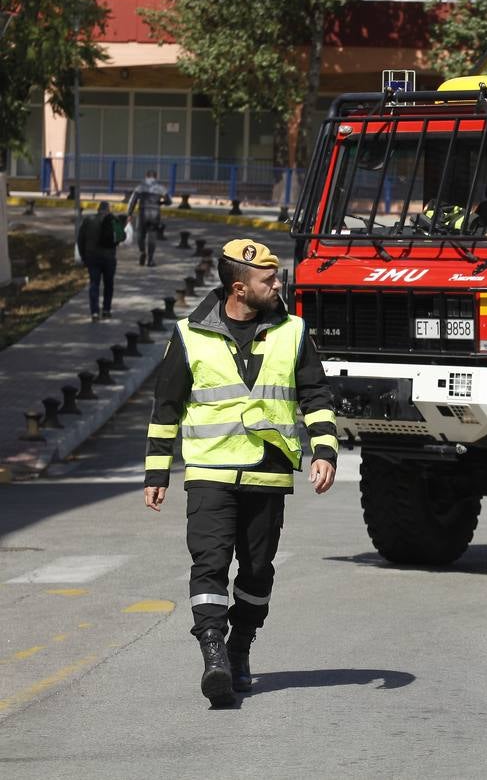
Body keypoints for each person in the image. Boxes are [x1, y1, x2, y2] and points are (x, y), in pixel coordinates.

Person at [143, 238, 338, 706]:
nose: (278, 284)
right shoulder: (189, 335)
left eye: (276, 277)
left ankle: (240, 647)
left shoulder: (293, 331)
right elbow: (166, 406)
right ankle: (214, 657)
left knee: (256, 572)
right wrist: (156, 473)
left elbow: (315, 396)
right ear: (239, 288)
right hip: (210, 472)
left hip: (268, 474)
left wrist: (324, 451)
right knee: (209, 564)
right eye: (268, 280)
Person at [77, 201, 124, 321]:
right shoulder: (113, 219)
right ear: (108, 210)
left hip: (92, 257)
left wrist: (83, 257)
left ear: (98, 209)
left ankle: (94, 312)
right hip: (109, 258)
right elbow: (121, 237)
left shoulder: (88, 220)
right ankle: (106, 310)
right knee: (109, 284)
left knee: (94, 284)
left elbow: (80, 240)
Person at [127, 169, 171, 266]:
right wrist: (160, 203)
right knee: (152, 237)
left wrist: (129, 214)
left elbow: (132, 201)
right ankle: (150, 260)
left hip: (142, 213)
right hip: (155, 214)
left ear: (146, 176)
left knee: (140, 235)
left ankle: (142, 252)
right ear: (155, 177)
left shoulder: (140, 187)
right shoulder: (161, 188)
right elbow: (169, 201)